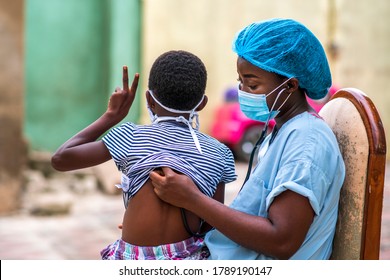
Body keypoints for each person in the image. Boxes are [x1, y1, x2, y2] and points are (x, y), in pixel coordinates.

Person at [150, 18, 346, 260]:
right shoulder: (284, 131)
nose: (242, 91)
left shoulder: (307, 142)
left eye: (252, 84)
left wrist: (192, 199)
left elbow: (281, 241)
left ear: (290, 86)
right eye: (240, 82)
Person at [51, 50, 237, 260]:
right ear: (202, 103)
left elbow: (61, 159)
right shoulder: (219, 153)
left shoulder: (130, 136)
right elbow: (211, 222)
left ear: (149, 99)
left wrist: (112, 116)